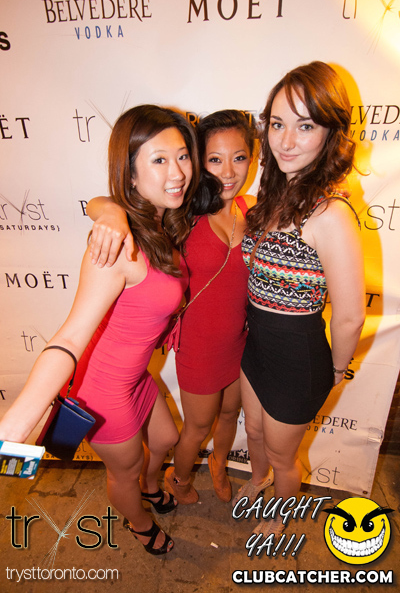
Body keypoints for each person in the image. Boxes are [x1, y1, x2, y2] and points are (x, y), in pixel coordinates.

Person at [0, 105, 200, 555]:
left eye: (182, 156)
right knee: (124, 472)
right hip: (105, 393)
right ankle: (140, 525)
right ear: (131, 174)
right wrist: (15, 425)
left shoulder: (155, 221)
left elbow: (101, 203)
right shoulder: (116, 246)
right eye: (159, 159)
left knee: (166, 439)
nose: (178, 172)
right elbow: (70, 337)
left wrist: (107, 208)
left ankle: (150, 489)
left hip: (135, 376)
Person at [86, 110, 274, 504]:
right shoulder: (182, 212)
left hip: (240, 341)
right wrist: (110, 211)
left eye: (239, 157)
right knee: (197, 428)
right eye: (214, 159)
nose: (228, 171)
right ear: (199, 162)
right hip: (199, 346)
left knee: (229, 416)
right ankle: (181, 480)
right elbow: (103, 202)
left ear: (252, 159)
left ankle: (219, 464)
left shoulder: (252, 209)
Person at [240, 61, 365, 539]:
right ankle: (257, 481)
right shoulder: (274, 194)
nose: (286, 141)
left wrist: (334, 371)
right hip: (257, 343)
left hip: (297, 356)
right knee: (253, 432)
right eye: (277, 124)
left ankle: (279, 516)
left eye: (305, 126)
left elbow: (350, 316)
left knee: (282, 456)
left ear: (331, 133)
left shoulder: (329, 213)